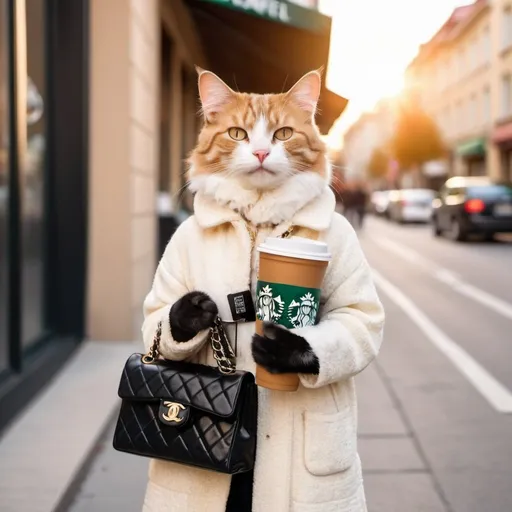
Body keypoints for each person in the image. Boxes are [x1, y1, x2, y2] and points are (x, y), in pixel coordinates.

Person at [141, 68, 385, 512]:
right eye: (237, 132)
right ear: (210, 125)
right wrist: (176, 325)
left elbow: (364, 322)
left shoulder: (334, 233)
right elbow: (152, 334)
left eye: (282, 134)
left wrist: (311, 350)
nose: (259, 149)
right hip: (200, 442)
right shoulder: (191, 236)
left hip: (301, 453)